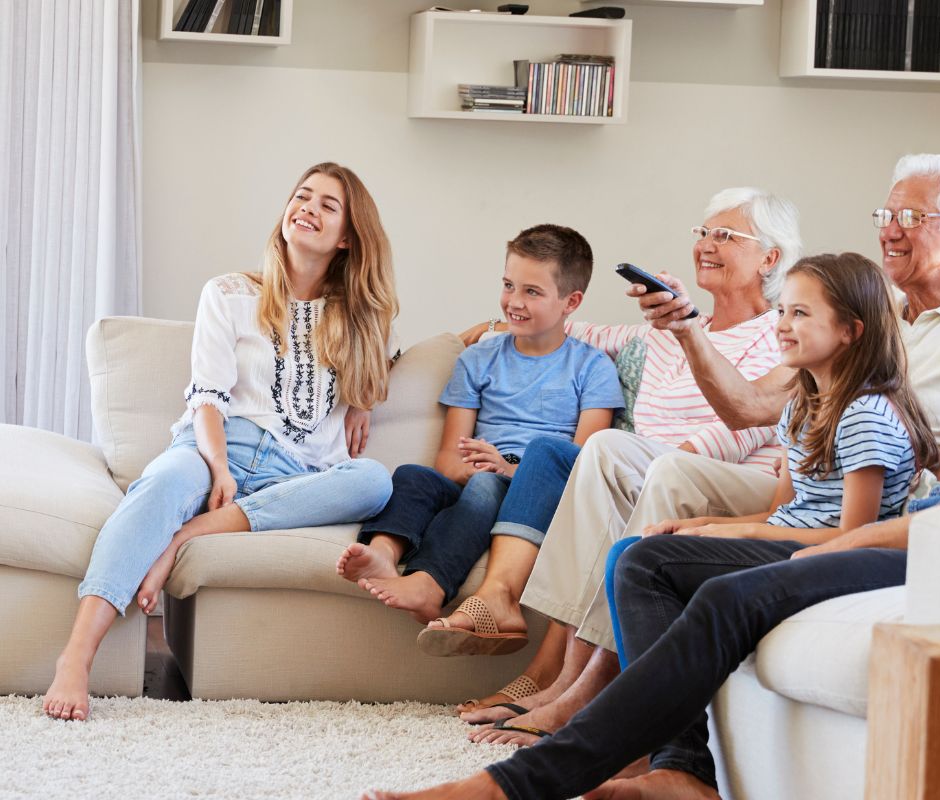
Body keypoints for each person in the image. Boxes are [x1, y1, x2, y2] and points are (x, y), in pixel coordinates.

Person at [361, 189, 940, 800]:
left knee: (722, 592)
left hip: (936, 557)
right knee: (649, 563)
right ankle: (683, 774)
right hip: (920, 535)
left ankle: (519, 786)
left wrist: (850, 537)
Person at [463, 153, 940, 744]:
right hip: (811, 484)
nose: (889, 228)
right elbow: (754, 407)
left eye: (911, 215)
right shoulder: (875, 315)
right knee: (617, 458)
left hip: (890, 500)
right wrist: (688, 331)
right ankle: (563, 674)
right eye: (885, 212)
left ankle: (596, 693)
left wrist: (907, 448)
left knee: (663, 486)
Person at [43, 162, 400, 722]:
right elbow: (207, 396)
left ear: (348, 237)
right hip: (218, 446)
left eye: (327, 205)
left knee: (376, 481)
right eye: (301, 196)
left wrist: (362, 399)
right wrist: (217, 468)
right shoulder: (230, 293)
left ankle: (185, 536)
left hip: (297, 472)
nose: (307, 207)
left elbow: (390, 358)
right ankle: (76, 658)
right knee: (161, 484)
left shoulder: (359, 318)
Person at [436, 187, 801, 719]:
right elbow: (579, 327)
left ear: (770, 258)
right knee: (555, 454)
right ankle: (514, 620)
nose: (706, 244)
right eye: (703, 232)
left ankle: (559, 682)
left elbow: (743, 425)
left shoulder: (782, 332)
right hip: (641, 467)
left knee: (609, 458)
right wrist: (502, 324)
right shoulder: (667, 330)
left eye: (726, 235)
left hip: (717, 478)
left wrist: (650, 466)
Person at [333, 225, 624, 634]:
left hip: (537, 491)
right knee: (413, 477)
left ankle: (430, 583)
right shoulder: (479, 359)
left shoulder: (593, 369)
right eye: (509, 285)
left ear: (571, 301)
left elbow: (582, 467)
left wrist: (505, 472)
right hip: (476, 478)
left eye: (532, 292)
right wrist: (475, 470)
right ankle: (382, 550)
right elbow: (448, 459)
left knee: (488, 487)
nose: (514, 302)